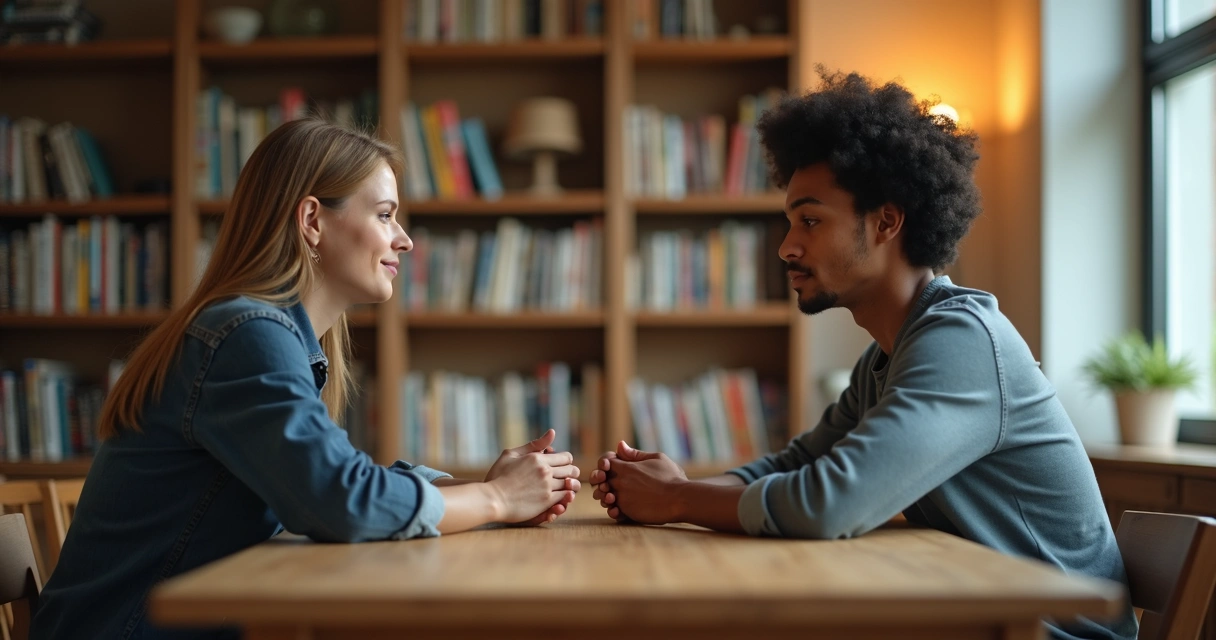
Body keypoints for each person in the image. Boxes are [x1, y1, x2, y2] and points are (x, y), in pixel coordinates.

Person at [588, 71, 1138, 640]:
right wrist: (681, 484)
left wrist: (675, 498)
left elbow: (830, 503)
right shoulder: (885, 359)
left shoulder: (962, 340)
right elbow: (794, 467)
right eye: (789, 223)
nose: (787, 247)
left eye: (810, 220)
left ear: (886, 222)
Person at [32, 119, 581, 639]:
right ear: (312, 220)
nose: (405, 240)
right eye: (386, 215)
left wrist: (477, 491)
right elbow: (341, 500)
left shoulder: (268, 336)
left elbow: (337, 482)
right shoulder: (246, 334)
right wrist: (495, 499)